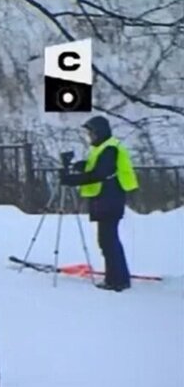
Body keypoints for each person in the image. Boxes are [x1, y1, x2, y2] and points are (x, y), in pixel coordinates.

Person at [58, 115, 139, 292]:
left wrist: (71, 180)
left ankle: (117, 280)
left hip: (110, 198)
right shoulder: (103, 147)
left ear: (99, 132)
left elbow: (100, 173)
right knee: (108, 240)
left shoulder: (110, 148)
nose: (89, 137)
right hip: (106, 197)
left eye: (91, 133)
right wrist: (82, 166)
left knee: (108, 240)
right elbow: (96, 168)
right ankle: (117, 277)